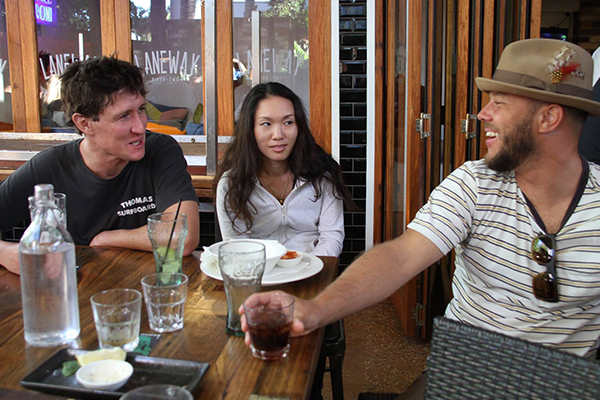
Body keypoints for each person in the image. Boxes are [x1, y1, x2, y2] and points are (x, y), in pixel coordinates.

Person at [241, 39, 600, 397]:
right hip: (465, 372)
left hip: (563, 386)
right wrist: (316, 309)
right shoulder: (474, 184)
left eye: (499, 103)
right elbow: (400, 257)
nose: (483, 114)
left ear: (548, 118)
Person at [0, 56, 200, 275]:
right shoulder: (49, 166)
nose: (140, 127)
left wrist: (108, 238)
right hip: (74, 289)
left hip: (146, 288)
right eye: (124, 116)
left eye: (141, 109)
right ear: (84, 123)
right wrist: (6, 252)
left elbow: (183, 237)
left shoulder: (160, 150)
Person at [215, 81, 354, 257]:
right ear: (250, 129)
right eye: (266, 124)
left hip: (312, 267)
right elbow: (237, 247)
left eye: (288, 122)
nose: (278, 135)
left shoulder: (323, 175)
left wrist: (309, 267)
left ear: (299, 126)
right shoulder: (232, 184)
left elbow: (332, 237)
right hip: (259, 270)